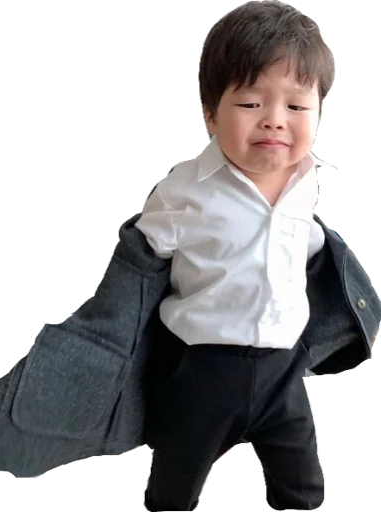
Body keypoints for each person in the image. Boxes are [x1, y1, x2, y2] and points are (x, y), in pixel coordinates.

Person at [137, 1, 335, 510]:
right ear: (210, 113)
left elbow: (310, 249)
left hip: (284, 372)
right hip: (202, 369)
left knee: (305, 490)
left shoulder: (308, 182)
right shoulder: (184, 192)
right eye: (250, 103)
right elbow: (139, 265)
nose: (274, 121)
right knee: (176, 480)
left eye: (296, 107)